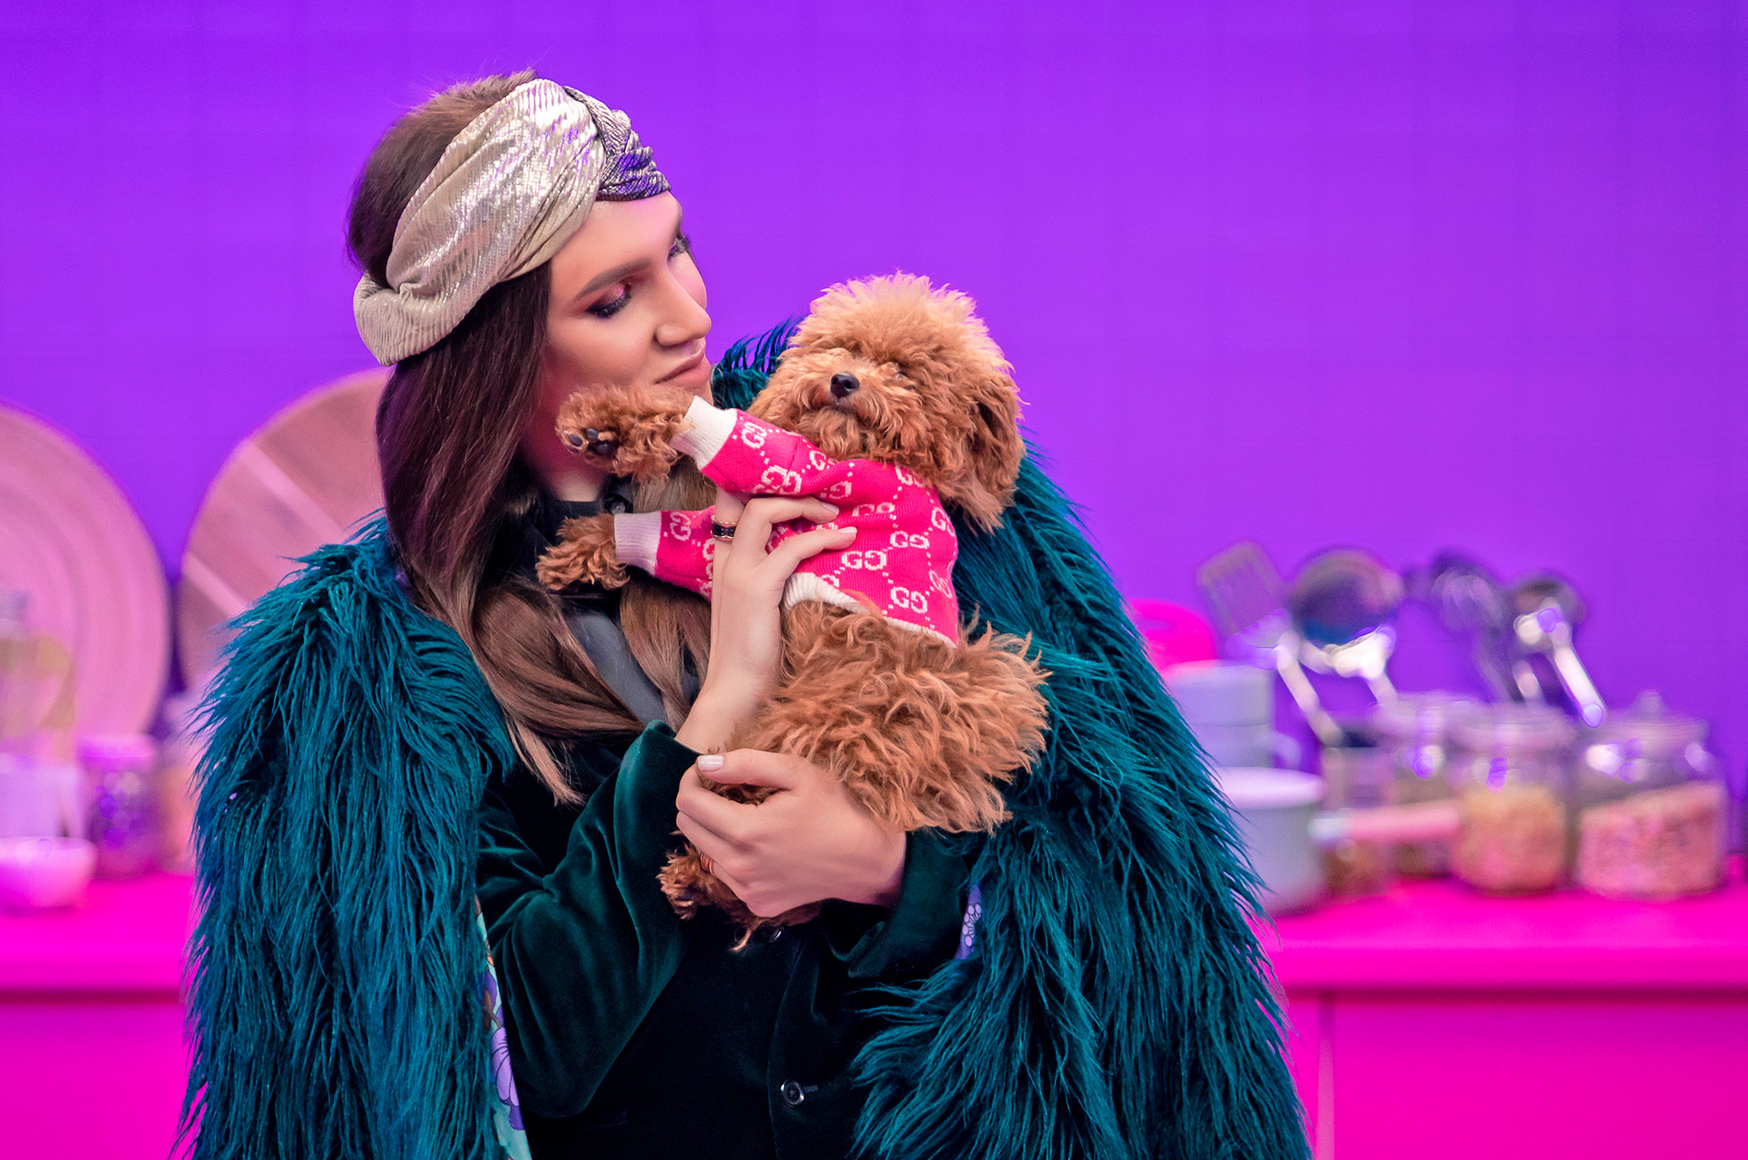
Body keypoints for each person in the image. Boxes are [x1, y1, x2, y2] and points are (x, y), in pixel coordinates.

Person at [183, 72, 1306, 1160]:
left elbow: (1133, 888)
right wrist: (718, 704)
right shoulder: (381, 673)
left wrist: (885, 869)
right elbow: (498, 1055)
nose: (688, 316)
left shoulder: (859, 457)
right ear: (497, 356)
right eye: (612, 299)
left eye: (676, 249)